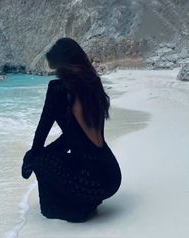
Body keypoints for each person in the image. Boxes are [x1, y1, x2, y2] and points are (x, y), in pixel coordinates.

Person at [21, 37, 122, 222]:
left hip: (91, 181)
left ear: (63, 65)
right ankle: (87, 202)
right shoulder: (94, 84)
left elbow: (42, 131)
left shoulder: (58, 90)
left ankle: (64, 209)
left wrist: (32, 158)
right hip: (111, 175)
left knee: (39, 159)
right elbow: (74, 138)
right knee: (53, 155)